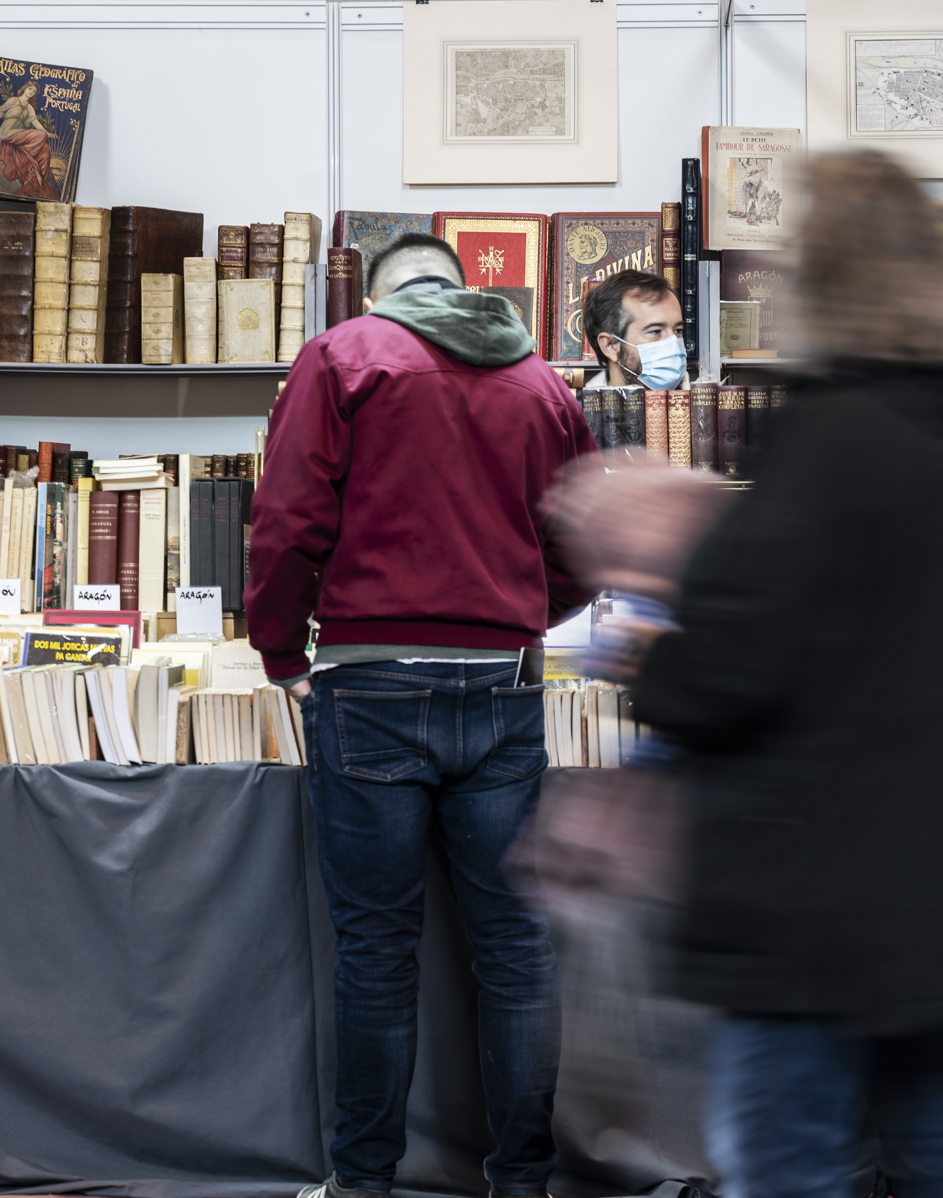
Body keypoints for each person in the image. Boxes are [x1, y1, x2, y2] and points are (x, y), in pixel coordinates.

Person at [604, 149, 943, 1198]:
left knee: (782, 1156)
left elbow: (744, 662)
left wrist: (658, 658)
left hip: (814, 883)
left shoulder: (829, 435)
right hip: (938, 866)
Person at [245, 231, 597, 1198]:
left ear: (382, 296)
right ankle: (521, 1182)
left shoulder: (345, 356)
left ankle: (363, 1185)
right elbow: (586, 538)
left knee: (375, 954)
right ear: (461, 292)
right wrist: (521, 610)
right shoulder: (541, 383)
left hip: (369, 682)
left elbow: (286, 517)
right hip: (502, 683)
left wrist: (280, 649)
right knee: (517, 953)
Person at [581, 269, 686, 390]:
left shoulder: (701, 404)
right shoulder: (580, 409)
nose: (673, 344)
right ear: (610, 346)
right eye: (655, 331)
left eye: (678, 330)